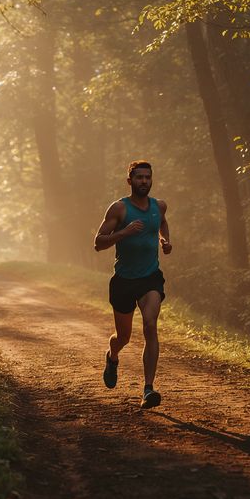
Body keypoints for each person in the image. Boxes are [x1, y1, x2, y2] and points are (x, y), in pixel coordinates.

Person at [93, 160, 171, 409]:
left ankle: (148, 389)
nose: (144, 182)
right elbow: (98, 242)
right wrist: (124, 233)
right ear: (130, 181)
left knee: (150, 326)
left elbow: (163, 223)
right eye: (139, 178)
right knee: (123, 337)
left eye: (148, 177)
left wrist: (165, 240)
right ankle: (112, 356)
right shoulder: (119, 209)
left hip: (150, 278)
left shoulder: (159, 206)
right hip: (124, 281)